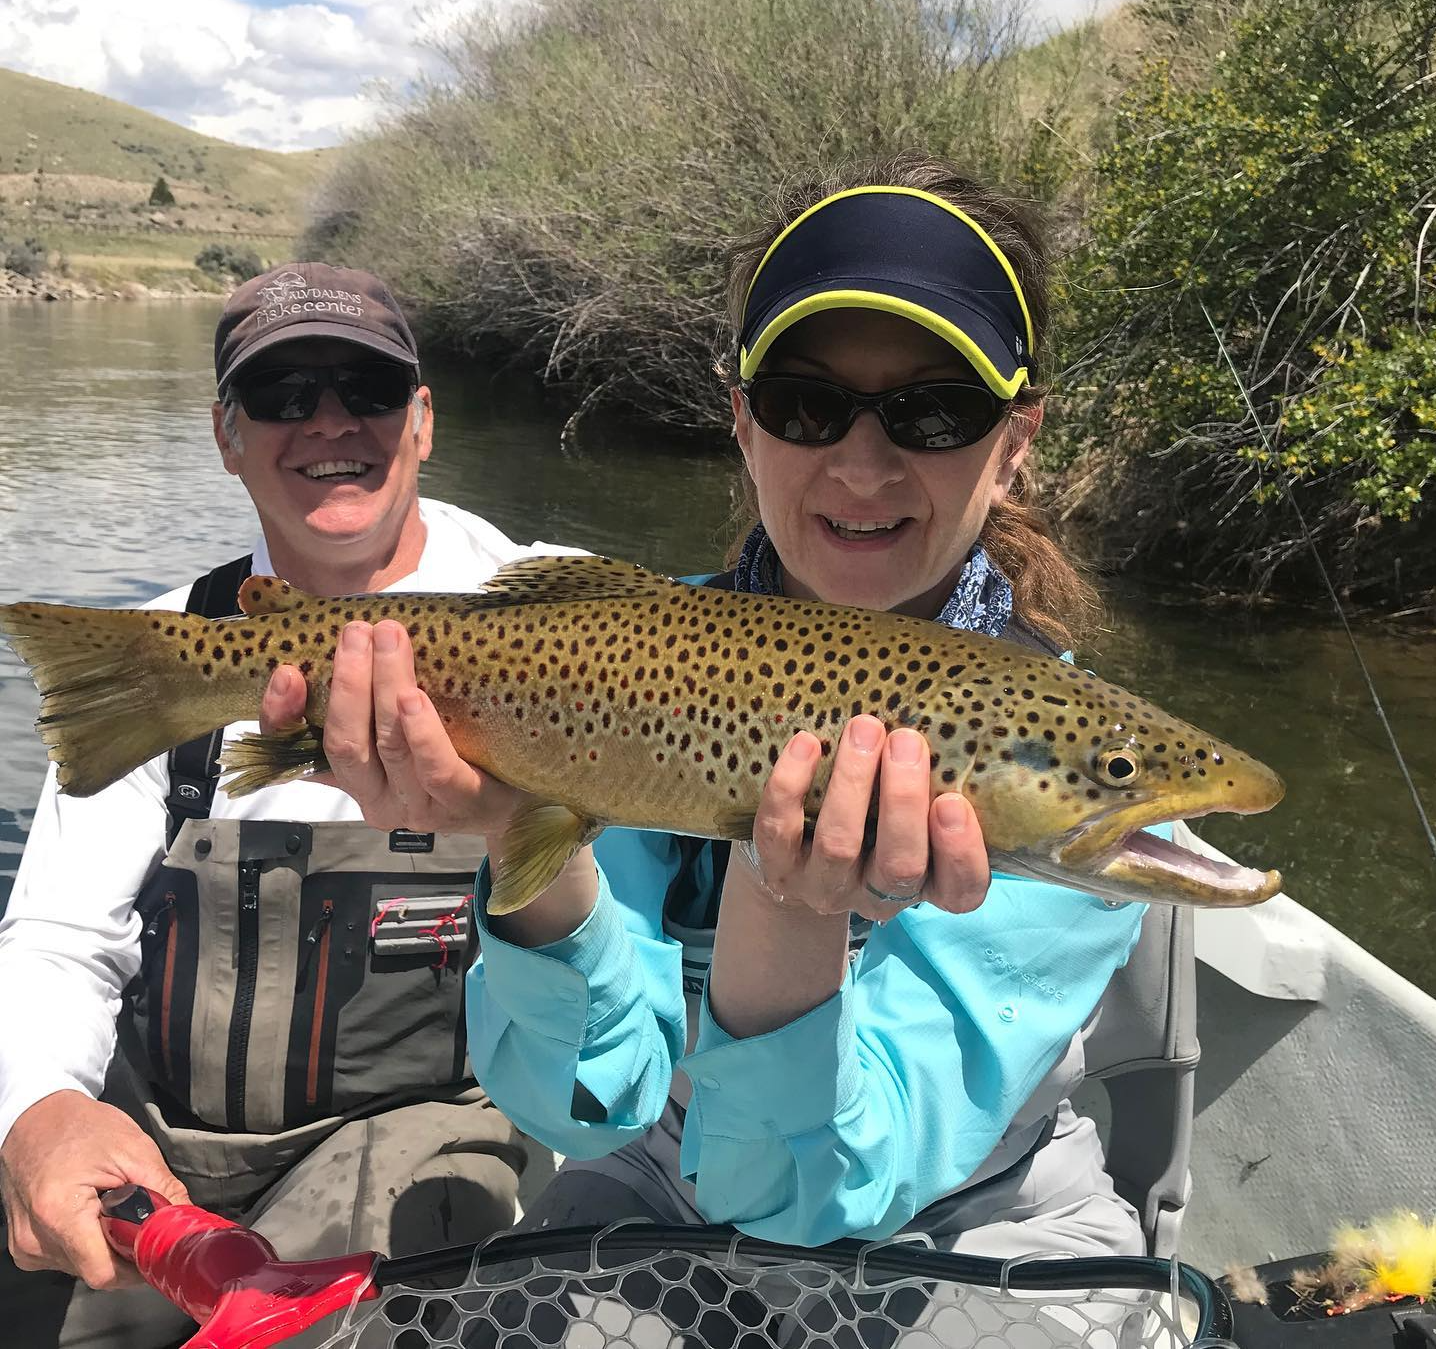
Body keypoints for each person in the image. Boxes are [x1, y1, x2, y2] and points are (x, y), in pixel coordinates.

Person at [259, 161, 1152, 1259]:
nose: (861, 464)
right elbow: (583, 1104)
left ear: (1013, 443)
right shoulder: (638, 663)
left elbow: (815, 1193)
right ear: (741, 422)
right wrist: (513, 832)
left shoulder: (1069, 749)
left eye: (935, 411)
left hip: (981, 1221)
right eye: (806, 404)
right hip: (655, 1186)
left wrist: (791, 905)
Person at [0, 262, 579, 1346]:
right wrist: (38, 1107)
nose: (327, 421)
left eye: (363, 386)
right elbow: (61, 936)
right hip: (164, 1149)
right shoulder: (166, 651)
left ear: (421, 421)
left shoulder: (562, 602)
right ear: (225, 434)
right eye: (282, 394)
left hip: (426, 1140)